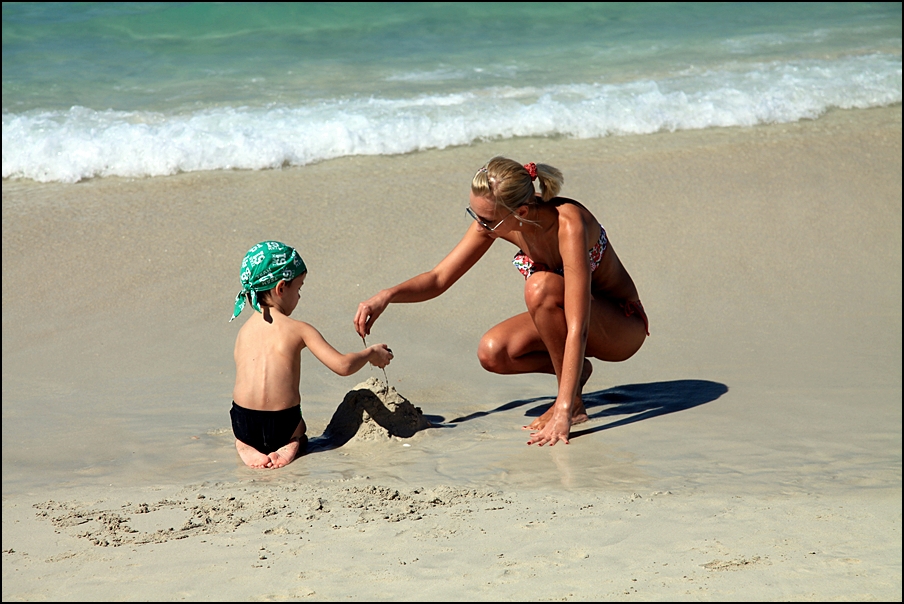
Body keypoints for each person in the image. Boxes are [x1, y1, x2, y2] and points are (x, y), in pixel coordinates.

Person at [354, 157, 648, 447]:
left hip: (621, 328)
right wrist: (386, 296)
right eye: (475, 214)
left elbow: (578, 327)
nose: (480, 225)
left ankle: (572, 402)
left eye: (487, 220)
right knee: (493, 352)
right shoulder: (501, 218)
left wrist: (563, 409)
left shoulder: (568, 225)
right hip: (574, 320)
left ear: (521, 212)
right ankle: (577, 375)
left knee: (540, 287)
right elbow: (438, 278)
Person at [229, 241, 393, 469]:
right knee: (299, 430)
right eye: (299, 289)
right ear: (281, 288)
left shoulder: (243, 332)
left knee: (245, 419)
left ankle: (245, 445)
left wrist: (245, 433)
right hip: (283, 424)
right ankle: (292, 442)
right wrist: (370, 353)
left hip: (243, 423)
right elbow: (343, 366)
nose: (299, 296)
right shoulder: (299, 329)